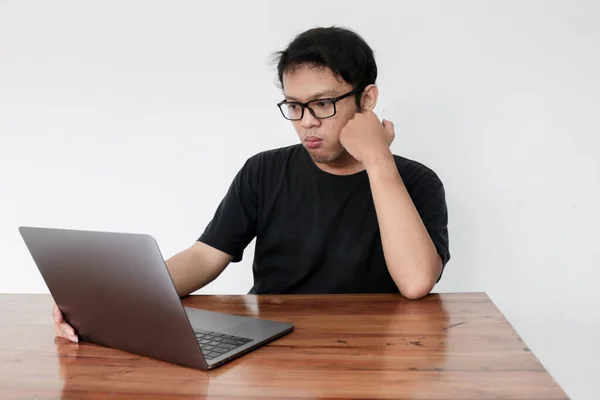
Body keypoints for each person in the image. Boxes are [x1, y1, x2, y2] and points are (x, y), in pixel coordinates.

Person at [54, 26, 450, 343]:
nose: (307, 121)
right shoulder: (263, 171)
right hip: (276, 346)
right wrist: (110, 300)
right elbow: (205, 257)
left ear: (367, 100)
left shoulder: (416, 182)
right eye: (294, 106)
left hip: (375, 350)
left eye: (323, 104)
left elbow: (416, 282)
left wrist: (378, 159)